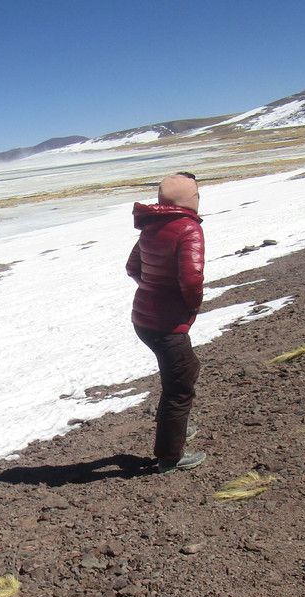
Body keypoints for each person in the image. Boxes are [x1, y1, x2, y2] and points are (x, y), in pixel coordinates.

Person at [126, 172, 206, 473]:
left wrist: (152, 289)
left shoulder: (151, 226)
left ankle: (175, 429)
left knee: (178, 374)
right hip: (166, 322)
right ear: (189, 199)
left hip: (144, 318)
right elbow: (191, 278)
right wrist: (189, 306)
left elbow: (132, 267)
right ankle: (170, 457)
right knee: (181, 385)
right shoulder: (188, 228)